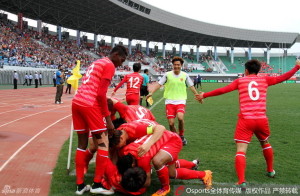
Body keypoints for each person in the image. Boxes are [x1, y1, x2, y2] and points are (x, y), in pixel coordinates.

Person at [195, 59, 300, 188]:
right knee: (265, 143)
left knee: (241, 151)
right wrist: (296, 68)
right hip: (261, 119)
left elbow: (223, 90)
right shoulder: (265, 79)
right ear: (258, 70)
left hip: (246, 120)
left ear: (246, 70)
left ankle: (241, 181)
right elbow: (283, 77)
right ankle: (270, 171)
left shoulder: (240, 81)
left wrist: (204, 95)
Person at [71, 45, 127, 195]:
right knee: (103, 143)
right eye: (121, 59)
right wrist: (108, 120)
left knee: (82, 144)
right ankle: (97, 185)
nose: (121, 63)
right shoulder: (109, 65)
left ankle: (80, 186)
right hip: (90, 104)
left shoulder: (97, 62)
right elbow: (101, 95)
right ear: (115, 54)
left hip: (77, 102)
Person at [147, 56, 198, 145]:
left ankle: (181, 136)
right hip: (169, 101)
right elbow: (159, 84)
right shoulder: (167, 75)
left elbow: (191, 86)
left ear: (181, 65)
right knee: (171, 123)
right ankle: (176, 137)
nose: (176, 66)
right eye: (174, 64)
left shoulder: (185, 75)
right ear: (172, 65)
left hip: (181, 101)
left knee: (180, 117)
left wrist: (197, 95)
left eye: (178, 65)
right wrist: (151, 93)